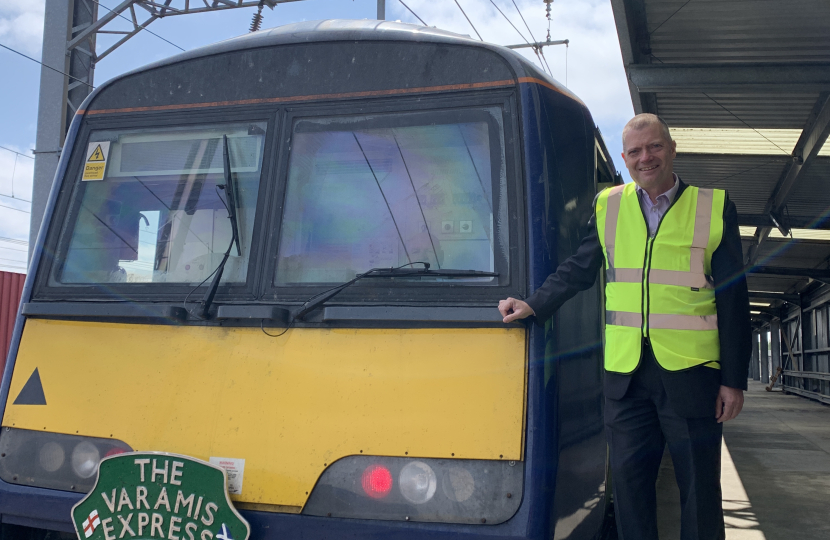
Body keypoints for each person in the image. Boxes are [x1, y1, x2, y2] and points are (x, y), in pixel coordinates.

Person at [498, 113, 750, 540]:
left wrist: (733, 381)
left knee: (700, 492)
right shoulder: (608, 205)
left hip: (692, 377)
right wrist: (533, 304)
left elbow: (733, 299)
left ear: (671, 149)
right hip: (626, 380)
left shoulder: (714, 206)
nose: (645, 158)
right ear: (624, 158)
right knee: (631, 491)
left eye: (653, 147)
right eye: (635, 151)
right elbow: (579, 268)